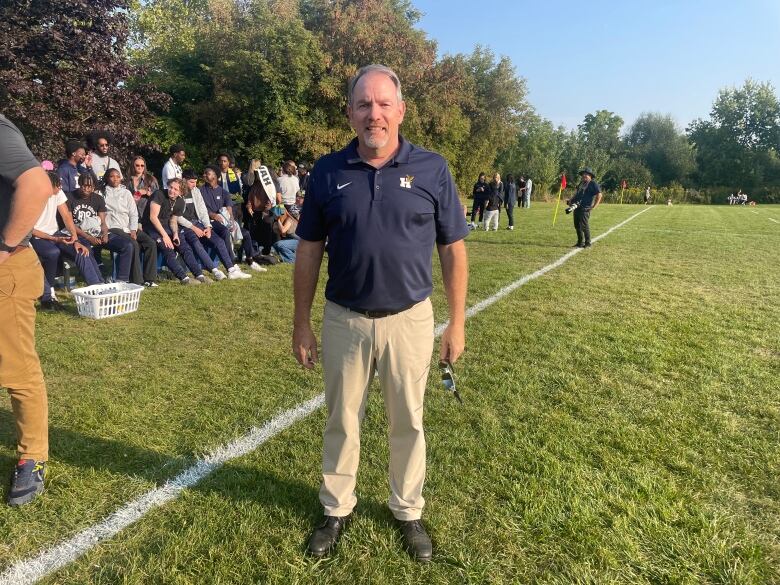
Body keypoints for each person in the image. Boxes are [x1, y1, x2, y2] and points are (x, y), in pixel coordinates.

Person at [293, 64, 468, 562]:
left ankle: (408, 511)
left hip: (410, 319)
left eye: (383, 104)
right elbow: (308, 249)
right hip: (343, 318)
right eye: (364, 104)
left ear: (400, 110)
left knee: (407, 421)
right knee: (341, 419)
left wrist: (456, 321)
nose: (375, 114)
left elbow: (453, 248)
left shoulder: (432, 168)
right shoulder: (328, 171)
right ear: (350, 112)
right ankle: (336, 508)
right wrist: (300, 322)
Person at [0, 113, 56, 506]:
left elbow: (38, 186)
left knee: (16, 368)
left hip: (8, 269)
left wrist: (3, 249)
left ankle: (31, 457)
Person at [31, 171, 103, 309]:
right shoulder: (33, 197)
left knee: (82, 250)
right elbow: (30, 229)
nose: (60, 189)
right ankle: (48, 294)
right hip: (38, 236)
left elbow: (66, 216)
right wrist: (55, 239)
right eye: (57, 186)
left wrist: (75, 239)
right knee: (52, 253)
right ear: (46, 186)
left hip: (55, 233)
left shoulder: (58, 193)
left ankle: (97, 289)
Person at [179, 170, 251, 280]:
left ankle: (231, 270)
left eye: (195, 182)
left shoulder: (196, 191)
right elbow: (177, 217)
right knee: (197, 243)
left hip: (199, 223)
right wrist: (193, 228)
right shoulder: (178, 193)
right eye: (191, 182)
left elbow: (202, 210)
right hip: (186, 227)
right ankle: (215, 271)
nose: (194, 185)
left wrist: (207, 227)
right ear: (184, 180)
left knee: (219, 241)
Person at [66, 172, 134, 282]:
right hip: (79, 233)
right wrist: (88, 237)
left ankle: (121, 280)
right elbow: (69, 223)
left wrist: (105, 234)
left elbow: (103, 222)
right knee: (87, 249)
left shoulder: (98, 198)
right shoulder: (70, 197)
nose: (87, 189)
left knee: (127, 246)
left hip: (97, 231)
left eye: (90, 187)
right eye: (84, 186)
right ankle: (97, 281)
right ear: (79, 184)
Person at [200, 166, 267, 272]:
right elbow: (201, 209)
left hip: (225, 220)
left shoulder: (223, 192)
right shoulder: (201, 191)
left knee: (246, 234)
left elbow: (229, 207)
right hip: (211, 222)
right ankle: (232, 263)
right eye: (204, 173)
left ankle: (250, 260)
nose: (204, 175)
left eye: (207, 173)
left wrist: (231, 221)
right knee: (225, 232)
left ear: (215, 176)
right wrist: (213, 215)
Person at [103, 169, 158, 286]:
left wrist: (133, 229)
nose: (115, 179)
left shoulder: (126, 193)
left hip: (128, 227)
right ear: (107, 178)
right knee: (133, 244)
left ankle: (149, 278)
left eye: (117, 176)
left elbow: (133, 213)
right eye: (112, 177)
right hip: (114, 227)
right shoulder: (103, 193)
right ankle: (137, 280)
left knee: (150, 243)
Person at [141, 179, 200, 286]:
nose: (172, 190)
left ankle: (199, 274)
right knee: (168, 249)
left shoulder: (180, 202)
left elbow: (173, 220)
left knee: (184, 246)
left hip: (166, 226)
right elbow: (153, 218)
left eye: (175, 189)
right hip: (151, 226)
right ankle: (184, 278)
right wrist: (165, 236)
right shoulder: (159, 194)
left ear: (181, 193)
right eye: (171, 187)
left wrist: (175, 233)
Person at [567, 167, 603, 248]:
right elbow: (577, 193)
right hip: (576, 206)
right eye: (583, 174)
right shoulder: (581, 183)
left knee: (584, 225)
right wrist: (571, 200)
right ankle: (580, 242)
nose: (584, 176)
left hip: (585, 208)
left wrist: (594, 206)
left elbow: (599, 195)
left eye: (586, 174)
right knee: (577, 225)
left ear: (590, 176)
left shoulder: (593, 184)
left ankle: (587, 243)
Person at [124, 155, 159, 221]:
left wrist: (148, 193)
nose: (140, 167)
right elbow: (126, 199)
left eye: (142, 165)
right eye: (137, 165)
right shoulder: (128, 181)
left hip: (147, 214)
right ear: (133, 166)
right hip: (132, 215)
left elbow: (158, 197)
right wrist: (138, 193)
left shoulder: (150, 179)